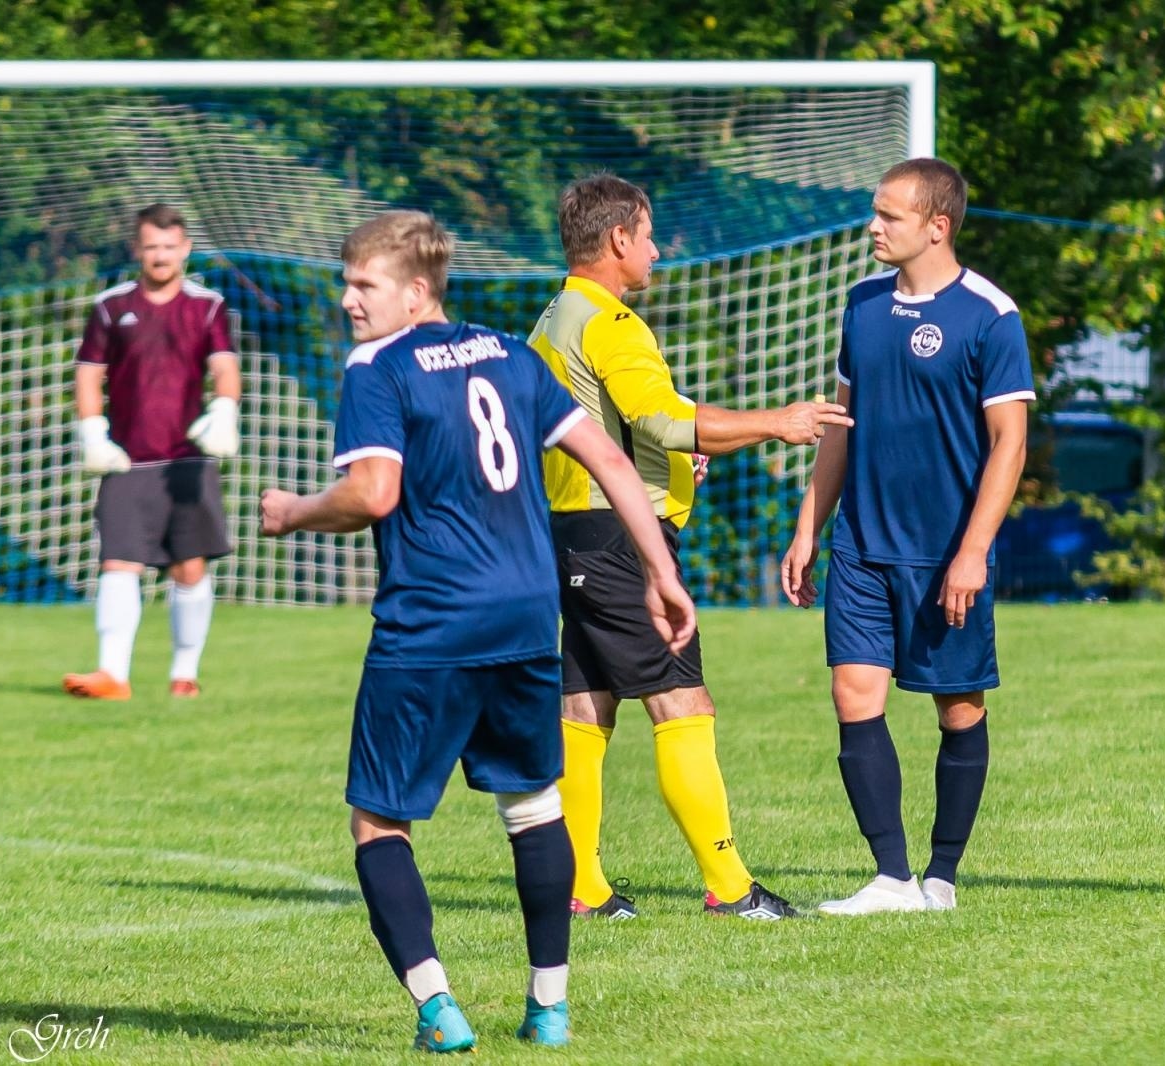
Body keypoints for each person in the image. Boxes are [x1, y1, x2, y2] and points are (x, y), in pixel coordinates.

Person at [259, 211, 695, 1050]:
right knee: (533, 807)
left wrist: (294, 513)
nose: (348, 300)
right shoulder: (508, 352)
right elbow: (610, 459)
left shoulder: (376, 368)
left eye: (364, 285)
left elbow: (374, 493)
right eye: (347, 283)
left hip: (432, 621)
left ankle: (437, 1009)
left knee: (380, 821)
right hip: (530, 615)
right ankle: (549, 1007)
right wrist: (663, 572)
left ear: (416, 292)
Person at [529, 173, 853, 921]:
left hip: (573, 531)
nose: (654, 251)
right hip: (618, 539)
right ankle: (733, 889)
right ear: (617, 240)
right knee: (683, 702)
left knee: (584, 705)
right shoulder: (609, 322)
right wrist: (779, 421)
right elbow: (668, 421)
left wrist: (674, 461)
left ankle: (581, 887)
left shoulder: (554, 315)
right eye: (648, 236)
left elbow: (616, 428)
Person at [780, 158, 1035, 915]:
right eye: (874, 213)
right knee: (853, 695)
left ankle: (942, 875)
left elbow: (1010, 444)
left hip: (944, 551)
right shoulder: (860, 306)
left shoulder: (991, 315)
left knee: (958, 708)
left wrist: (972, 551)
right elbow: (841, 427)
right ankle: (891, 877)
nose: (872, 228)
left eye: (887, 216)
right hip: (861, 544)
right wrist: (807, 529)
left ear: (936, 226)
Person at [63, 203, 241, 701]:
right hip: (126, 460)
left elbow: (225, 366)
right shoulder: (110, 307)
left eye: (170, 247)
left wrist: (225, 410)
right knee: (118, 561)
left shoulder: (208, 306)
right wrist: (94, 433)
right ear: (137, 250)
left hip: (188, 462)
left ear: (184, 249)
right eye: (151, 247)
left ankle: (184, 673)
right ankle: (112, 674)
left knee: (190, 567)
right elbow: (88, 374)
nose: (160, 256)